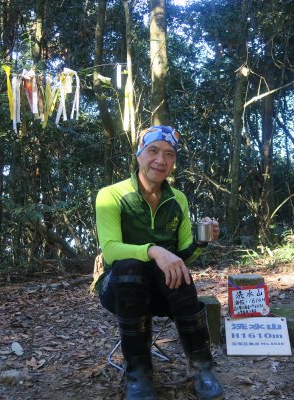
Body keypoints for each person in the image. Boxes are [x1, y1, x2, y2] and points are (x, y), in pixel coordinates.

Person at [94, 126, 224, 400]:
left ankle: (202, 369)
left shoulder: (178, 199)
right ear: (139, 154)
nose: (160, 160)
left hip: (165, 292)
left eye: (169, 154)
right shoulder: (111, 195)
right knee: (130, 267)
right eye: (153, 151)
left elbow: (183, 254)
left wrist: (202, 242)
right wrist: (153, 250)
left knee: (181, 272)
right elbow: (110, 251)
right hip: (120, 289)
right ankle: (138, 375)